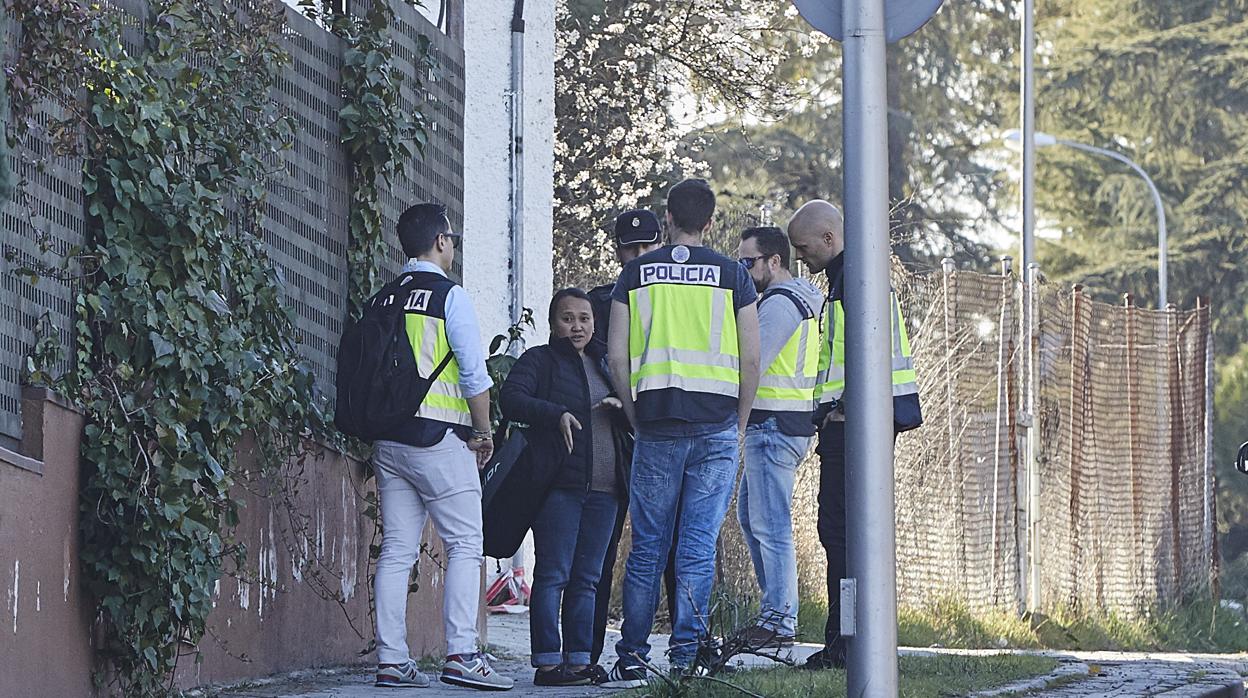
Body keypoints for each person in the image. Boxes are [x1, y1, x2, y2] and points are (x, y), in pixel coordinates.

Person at [602, 178, 761, 686]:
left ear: (666, 218)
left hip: (656, 424)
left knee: (648, 545)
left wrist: (632, 414)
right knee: (696, 544)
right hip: (716, 425)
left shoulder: (635, 274)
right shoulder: (734, 276)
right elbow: (751, 357)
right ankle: (685, 654)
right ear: (710, 222)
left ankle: (631, 653)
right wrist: (738, 422)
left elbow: (617, 356)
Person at [370, 203, 514, 691]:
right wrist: (483, 431)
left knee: (396, 551)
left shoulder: (384, 297)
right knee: (465, 544)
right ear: (440, 242)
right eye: (450, 237)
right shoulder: (449, 297)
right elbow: (475, 375)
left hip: (389, 441)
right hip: (438, 438)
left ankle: (392, 660)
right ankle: (463, 655)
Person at [786, 199, 922, 670]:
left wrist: (839, 409)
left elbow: (858, 358)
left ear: (829, 238)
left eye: (804, 248)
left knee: (842, 534)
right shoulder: (855, 279)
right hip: (862, 423)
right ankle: (852, 641)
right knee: (848, 535)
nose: (801, 258)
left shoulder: (854, 283)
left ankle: (848, 645)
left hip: (856, 427)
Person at [499, 288, 631, 687]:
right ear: (554, 323)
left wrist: (622, 407)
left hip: (607, 490)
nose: (577, 326)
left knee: (588, 578)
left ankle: (579, 661)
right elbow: (511, 399)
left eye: (584, 318)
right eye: (567, 318)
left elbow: (636, 409)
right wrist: (555, 413)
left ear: (594, 322)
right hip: (560, 486)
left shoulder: (607, 362)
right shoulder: (539, 361)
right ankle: (547, 663)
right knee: (554, 574)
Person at [584, 210, 669, 668]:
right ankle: (587, 653)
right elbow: (591, 358)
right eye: (629, 250)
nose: (637, 258)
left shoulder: (677, 298)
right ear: (618, 253)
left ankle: (685, 652)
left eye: (645, 249)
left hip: (663, 433)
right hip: (614, 440)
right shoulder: (600, 302)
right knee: (602, 549)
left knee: (675, 548)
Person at [733, 226, 824, 647]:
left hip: (773, 424)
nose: (743, 270)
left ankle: (778, 623)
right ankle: (775, 615)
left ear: (774, 261)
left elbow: (751, 362)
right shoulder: (799, 297)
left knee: (770, 526)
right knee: (753, 519)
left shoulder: (779, 305)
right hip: (782, 424)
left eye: (748, 262)